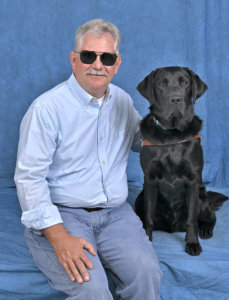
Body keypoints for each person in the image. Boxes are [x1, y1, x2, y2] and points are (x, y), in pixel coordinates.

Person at [14, 19, 162, 300]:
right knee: (93, 290)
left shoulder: (122, 100)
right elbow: (28, 179)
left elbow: (138, 141)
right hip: (63, 215)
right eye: (88, 56)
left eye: (106, 57)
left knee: (147, 275)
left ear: (116, 64)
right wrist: (59, 238)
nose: (97, 64)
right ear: (74, 59)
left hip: (116, 215)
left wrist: (170, 141)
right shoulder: (46, 109)